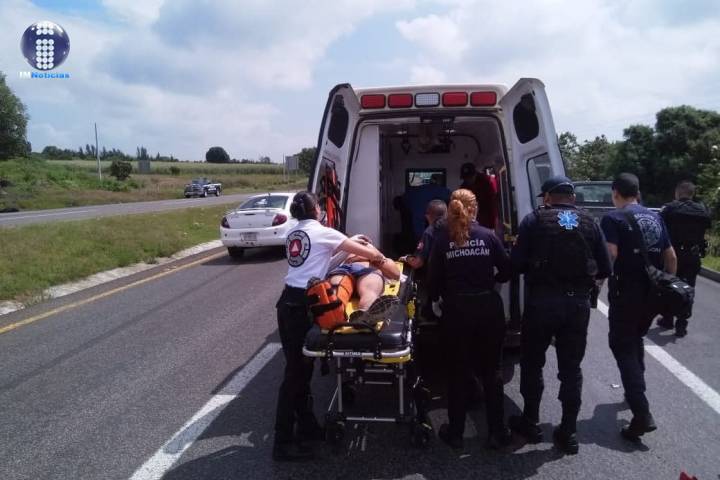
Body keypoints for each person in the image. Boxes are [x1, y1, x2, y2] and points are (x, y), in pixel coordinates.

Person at [273, 191, 394, 461]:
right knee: (295, 375)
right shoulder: (324, 232)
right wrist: (377, 257)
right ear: (316, 209)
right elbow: (369, 253)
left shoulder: (293, 233)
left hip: (287, 303)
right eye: (319, 206)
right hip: (303, 307)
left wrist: (345, 248)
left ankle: (307, 428)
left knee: (301, 371)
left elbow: (322, 263)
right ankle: (282, 442)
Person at [509, 175, 612, 455]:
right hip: (577, 305)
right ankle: (568, 431)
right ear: (573, 197)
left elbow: (515, 264)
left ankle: (531, 421)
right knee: (571, 369)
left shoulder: (534, 220)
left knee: (532, 363)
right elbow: (605, 268)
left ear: (547, 197)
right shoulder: (590, 222)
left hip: (542, 303)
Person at [427, 188, 513, 450]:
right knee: (492, 372)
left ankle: (455, 433)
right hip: (488, 308)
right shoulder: (488, 236)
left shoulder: (442, 239)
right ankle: (497, 432)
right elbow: (507, 270)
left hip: (457, 311)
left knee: (457, 371)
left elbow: (433, 280)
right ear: (475, 208)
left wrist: (438, 300)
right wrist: (490, 281)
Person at [600, 173, 677, 441]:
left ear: (615, 193)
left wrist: (595, 284)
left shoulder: (613, 218)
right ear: (638, 192)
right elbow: (671, 258)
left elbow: (610, 255)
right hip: (652, 294)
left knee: (621, 346)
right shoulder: (656, 217)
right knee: (635, 339)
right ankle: (636, 386)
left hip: (626, 293)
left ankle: (641, 413)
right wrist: (666, 286)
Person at [658, 180, 712, 336]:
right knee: (688, 289)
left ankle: (668, 318)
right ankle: (682, 324)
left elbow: (659, 228)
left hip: (672, 255)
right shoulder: (702, 210)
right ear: (692, 194)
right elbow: (706, 231)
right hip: (693, 255)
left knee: (668, 286)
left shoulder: (669, 208)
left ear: (678, 192)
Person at [459, 162, 497, 229]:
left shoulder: (486, 182)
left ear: (475, 174)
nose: (468, 180)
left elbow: (492, 204)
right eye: (465, 178)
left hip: (485, 215)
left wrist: (492, 226)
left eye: (470, 177)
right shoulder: (463, 187)